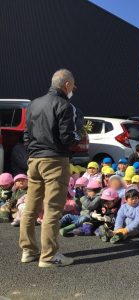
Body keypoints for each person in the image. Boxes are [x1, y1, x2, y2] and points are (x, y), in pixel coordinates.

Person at [20, 69, 82, 267]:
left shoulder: (33, 104)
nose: (73, 89)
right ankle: (48, 256)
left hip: (34, 160)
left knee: (31, 207)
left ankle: (28, 251)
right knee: (53, 209)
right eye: (73, 85)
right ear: (67, 85)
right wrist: (79, 137)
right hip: (55, 160)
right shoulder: (65, 106)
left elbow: (26, 135)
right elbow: (68, 138)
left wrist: (32, 153)